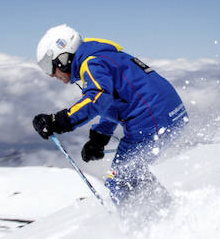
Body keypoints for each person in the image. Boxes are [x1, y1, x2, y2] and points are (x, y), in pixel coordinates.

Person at [32, 24, 188, 212]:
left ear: (63, 57)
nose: (50, 75)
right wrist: (99, 138)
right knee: (132, 175)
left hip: (151, 120)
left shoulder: (92, 63)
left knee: (120, 182)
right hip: (168, 113)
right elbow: (113, 100)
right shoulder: (101, 57)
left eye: (49, 66)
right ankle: (168, 214)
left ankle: (151, 226)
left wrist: (58, 121)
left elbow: (96, 97)